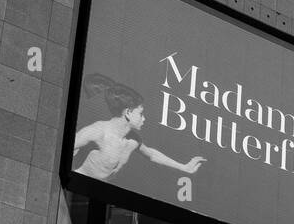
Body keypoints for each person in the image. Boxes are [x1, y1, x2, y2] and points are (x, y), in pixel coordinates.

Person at [73, 75, 207, 181]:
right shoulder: (97, 132)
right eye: (141, 114)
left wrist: (184, 167)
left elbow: (152, 154)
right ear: (128, 113)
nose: (144, 119)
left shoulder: (133, 140)